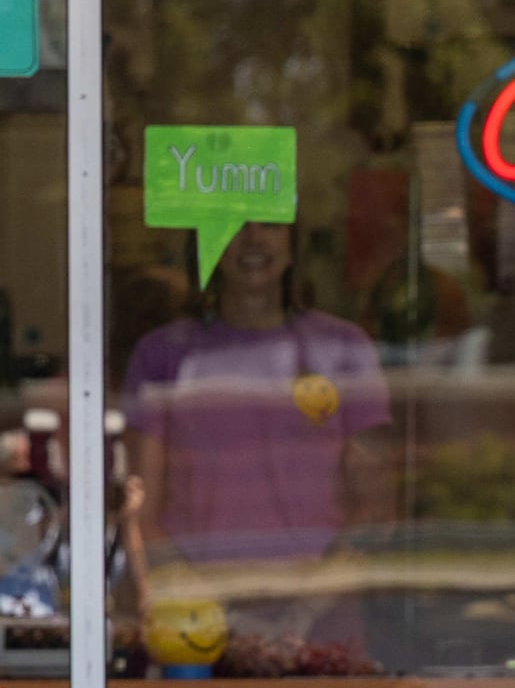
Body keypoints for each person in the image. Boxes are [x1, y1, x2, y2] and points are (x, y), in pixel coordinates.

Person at [119, 221, 392, 662]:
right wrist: (206, 608)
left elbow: (375, 506)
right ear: (206, 241)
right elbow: (140, 509)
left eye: (269, 223)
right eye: (232, 224)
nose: (252, 239)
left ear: (294, 241)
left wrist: (303, 612)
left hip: (321, 634)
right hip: (196, 631)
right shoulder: (163, 355)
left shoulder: (343, 348)